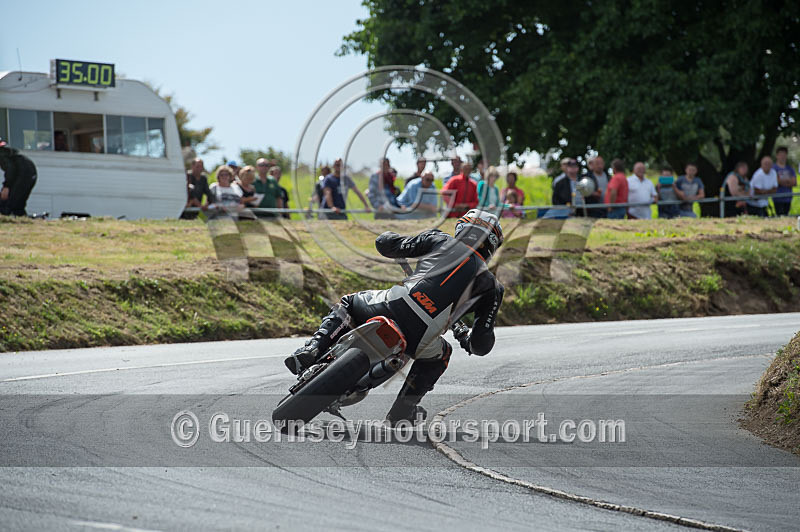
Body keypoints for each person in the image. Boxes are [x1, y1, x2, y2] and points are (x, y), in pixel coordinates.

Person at [283, 209, 505, 424]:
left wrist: (390, 238)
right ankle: (402, 412)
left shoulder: (438, 239)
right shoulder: (493, 288)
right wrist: (467, 341)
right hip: (421, 338)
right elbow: (482, 344)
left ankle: (312, 348)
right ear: (492, 246)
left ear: (462, 228)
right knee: (442, 355)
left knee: (348, 303)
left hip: (392, 306)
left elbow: (385, 243)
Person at [0, 139, 38, 217]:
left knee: (8, 203)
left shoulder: (2, 154)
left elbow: (11, 169)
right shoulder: (8, 152)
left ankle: (5, 218)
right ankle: (22, 218)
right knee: (18, 205)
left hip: (24, 174)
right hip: (31, 173)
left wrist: (7, 186)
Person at [773, 146, 797, 216]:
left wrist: (782, 182)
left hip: (788, 197)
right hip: (777, 197)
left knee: (786, 215)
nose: (782, 157)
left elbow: (794, 182)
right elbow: (776, 181)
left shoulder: (790, 168)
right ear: (777, 155)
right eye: (781, 155)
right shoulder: (773, 168)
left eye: (784, 155)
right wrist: (787, 181)